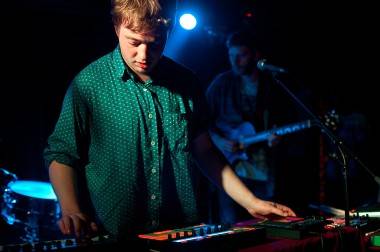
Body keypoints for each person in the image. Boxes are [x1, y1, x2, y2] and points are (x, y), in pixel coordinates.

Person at [43, 0, 295, 242]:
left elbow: (205, 151)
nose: (144, 54)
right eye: (134, 42)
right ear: (117, 27)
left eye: (155, 43)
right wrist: (71, 209)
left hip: (181, 232)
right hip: (115, 235)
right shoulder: (89, 84)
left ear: (168, 32)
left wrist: (252, 202)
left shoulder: (187, 82)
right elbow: (62, 154)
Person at [206, 30, 285, 224]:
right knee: (231, 225)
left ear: (255, 55)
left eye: (241, 55)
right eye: (231, 56)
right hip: (230, 169)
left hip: (262, 168)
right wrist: (219, 141)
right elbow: (200, 122)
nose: (235, 61)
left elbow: (281, 122)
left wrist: (279, 137)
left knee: (267, 225)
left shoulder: (272, 85)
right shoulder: (221, 84)